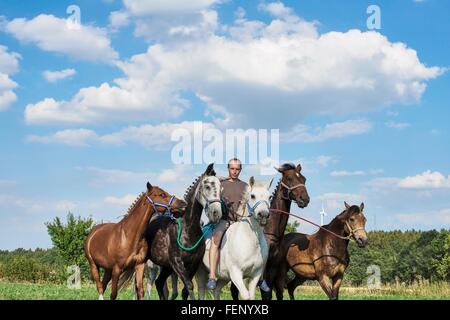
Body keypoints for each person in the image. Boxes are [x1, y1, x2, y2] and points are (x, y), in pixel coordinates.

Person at [206, 158, 270, 293]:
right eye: (232, 169)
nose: (234, 171)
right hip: (225, 221)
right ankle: (212, 275)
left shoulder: (246, 186)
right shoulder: (221, 184)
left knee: (263, 242)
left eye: (237, 169)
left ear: (240, 170)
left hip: (242, 222)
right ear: (228, 168)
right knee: (216, 240)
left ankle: (261, 278)